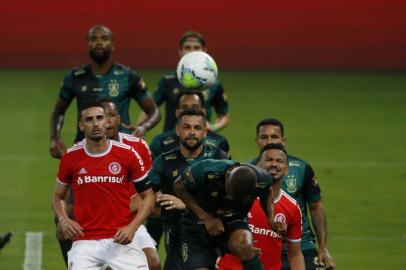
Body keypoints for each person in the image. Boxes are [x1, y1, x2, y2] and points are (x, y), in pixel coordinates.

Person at [52, 101, 154, 269]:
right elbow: (58, 196)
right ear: (81, 126)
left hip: (121, 239)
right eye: (89, 119)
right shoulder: (70, 157)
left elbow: (148, 196)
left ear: (107, 122)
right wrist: (63, 219)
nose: (95, 123)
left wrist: (132, 227)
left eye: (99, 118)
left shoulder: (127, 154)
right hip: (85, 242)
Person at [50, 24, 160, 159]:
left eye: (104, 38)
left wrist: (142, 127)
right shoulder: (75, 77)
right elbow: (58, 111)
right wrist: (55, 138)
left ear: (113, 44)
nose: (99, 42)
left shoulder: (127, 76)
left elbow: (154, 111)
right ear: (87, 45)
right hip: (84, 149)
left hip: (121, 149)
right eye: (93, 39)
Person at [149, 109, 228, 270]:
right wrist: (157, 198)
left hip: (210, 233)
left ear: (205, 131)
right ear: (177, 130)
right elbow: (146, 196)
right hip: (175, 232)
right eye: (186, 127)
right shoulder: (163, 161)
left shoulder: (219, 159)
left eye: (197, 128)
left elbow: (225, 203)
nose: (192, 132)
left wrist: (185, 205)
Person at [253, 118, 336, 270]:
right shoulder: (247, 172)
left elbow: (316, 207)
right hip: (263, 247)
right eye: (264, 137)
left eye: (274, 137)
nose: (269, 141)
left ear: (283, 140)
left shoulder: (301, 168)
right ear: (257, 141)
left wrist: (323, 248)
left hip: (301, 245)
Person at [173, 159, 286, 270]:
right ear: (226, 177)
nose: (232, 201)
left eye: (239, 200)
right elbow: (178, 186)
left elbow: (268, 191)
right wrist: (205, 217)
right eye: (231, 195)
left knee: (244, 245)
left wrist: (271, 218)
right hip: (197, 223)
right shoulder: (205, 169)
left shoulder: (262, 178)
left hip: (233, 221)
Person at [217, 144, 305, 270]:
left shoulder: (292, 207)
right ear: (257, 166)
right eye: (269, 160)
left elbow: (295, 254)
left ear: (286, 169)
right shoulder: (240, 196)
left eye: (279, 161)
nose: (274, 164)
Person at [101, 98, 161, 270]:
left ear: (119, 119)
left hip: (132, 221)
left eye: (112, 115)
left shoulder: (138, 146)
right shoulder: (86, 152)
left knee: (154, 262)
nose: (108, 120)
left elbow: (150, 191)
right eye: (103, 116)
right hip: (100, 225)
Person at [139, 31, 229, 132]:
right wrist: (140, 129)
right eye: (187, 47)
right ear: (180, 51)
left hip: (201, 141)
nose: (192, 51)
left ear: (204, 51)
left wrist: (213, 127)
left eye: (196, 47)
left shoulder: (213, 84)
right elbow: (149, 109)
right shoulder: (168, 80)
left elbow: (224, 116)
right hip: (170, 142)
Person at [149, 91, 230, 159]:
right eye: (184, 107)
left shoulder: (220, 142)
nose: (190, 110)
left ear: (203, 111)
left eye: (195, 107)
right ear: (177, 112)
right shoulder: (159, 143)